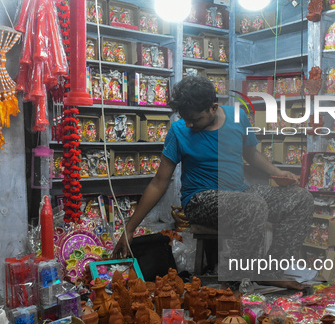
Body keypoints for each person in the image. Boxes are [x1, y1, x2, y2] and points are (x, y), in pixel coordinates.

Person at [112, 76, 313, 288]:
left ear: (213, 107)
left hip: (240, 194)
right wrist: (130, 228)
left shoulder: (238, 117)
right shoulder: (179, 131)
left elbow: (251, 155)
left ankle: (271, 271)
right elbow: (159, 182)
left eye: (195, 119)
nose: (189, 124)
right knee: (252, 205)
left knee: (300, 198)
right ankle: (237, 283)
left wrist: (277, 172)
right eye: (185, 118)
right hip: (200, 200)